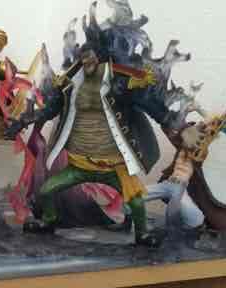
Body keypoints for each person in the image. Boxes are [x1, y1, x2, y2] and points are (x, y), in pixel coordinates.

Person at [9, 42, 177, 247]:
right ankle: (49, 220)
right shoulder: (71, 83)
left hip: (113, 166)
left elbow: (151, 105)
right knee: (46, 190)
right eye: (83, 57)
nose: (86, 60)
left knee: (136, 200)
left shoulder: (119, 82)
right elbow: (50, 110)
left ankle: (142, 233)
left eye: (90, 56)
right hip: (79, 165)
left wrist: (176, 124)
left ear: (101, 57)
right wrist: (24, 121)